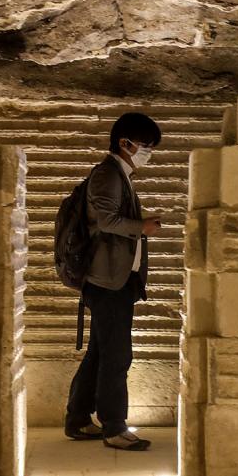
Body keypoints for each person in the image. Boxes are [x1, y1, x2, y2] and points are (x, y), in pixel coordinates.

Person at [64, 112, 163, 451]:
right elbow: (106, 220)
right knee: (117, 356)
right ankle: (114, 427)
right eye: (145, 146)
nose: (147, 152)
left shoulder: (119, 174)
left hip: (114, 279)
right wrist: (141, 227)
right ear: (125, 143)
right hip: (108, 281)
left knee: (100, 352)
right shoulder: (108, 173)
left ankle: (78, 419)